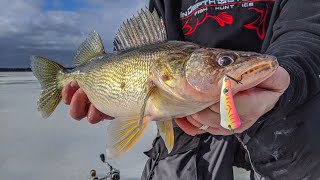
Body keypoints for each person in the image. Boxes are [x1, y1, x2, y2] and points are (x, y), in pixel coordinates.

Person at [62, 0, 320, 179]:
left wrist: (289, 76)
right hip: (188, 131)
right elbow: (155, 43)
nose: (226, 64)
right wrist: (113, 98)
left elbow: (307, 30)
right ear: (166, 73)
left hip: (291, 127)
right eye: (224, 62)